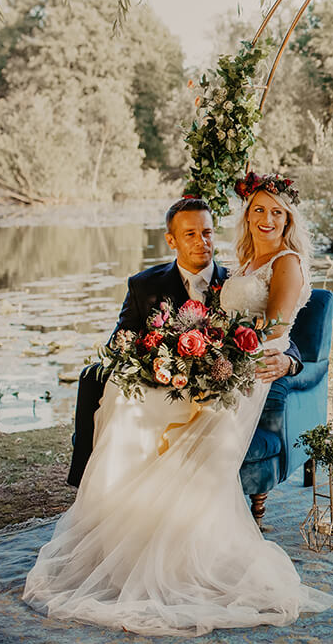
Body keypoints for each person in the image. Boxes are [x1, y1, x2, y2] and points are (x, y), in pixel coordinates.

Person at [24, 181, 333, 635]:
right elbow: (128, 343)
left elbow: (276, 333)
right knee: (127, 404)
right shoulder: (242, 265)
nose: (267, 219)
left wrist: (240, 362)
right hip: (215, 367)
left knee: (182, 446)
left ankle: (180, 560)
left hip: (240, 376)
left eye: (277, 213)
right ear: (246, 217)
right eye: (258, 211)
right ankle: (123, 537)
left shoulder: (279, 264)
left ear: (289, 220)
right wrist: (183, 363)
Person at [64, 196, 301, 487]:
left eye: (207, 232)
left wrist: (290, 362)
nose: (201, 241)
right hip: (163, 378)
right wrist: (155, 362)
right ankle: (88, 482)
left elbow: (274, 332)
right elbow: (120, 342)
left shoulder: (235, 282)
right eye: (190, 234)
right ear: (171, 239)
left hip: (211, 387)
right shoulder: (144, 285)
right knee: (94, 377)